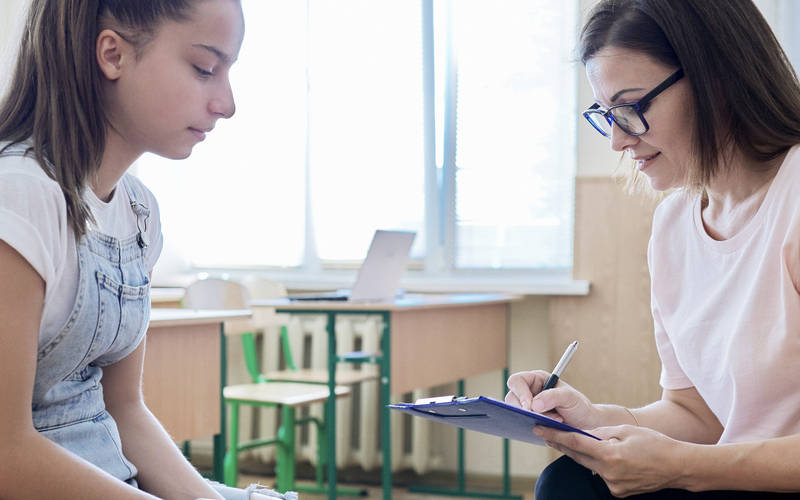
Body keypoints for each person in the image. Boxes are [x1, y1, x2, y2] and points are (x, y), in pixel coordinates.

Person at [505, 0, 800, 498]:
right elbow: (697, 415)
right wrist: (594, 420)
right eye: (606, 114)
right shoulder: (673, 226)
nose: (618, 140)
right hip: (729, 479)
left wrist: (685, 467)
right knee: (569, 481)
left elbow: (698, 452)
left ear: (716, 79)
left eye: (631, 108)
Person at [0, 1, 293, 499]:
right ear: (112, 55)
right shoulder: (20, 197)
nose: (226, 103)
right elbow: (6, 452)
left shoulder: (138, 212)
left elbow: (125, 410)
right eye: (205, 69)